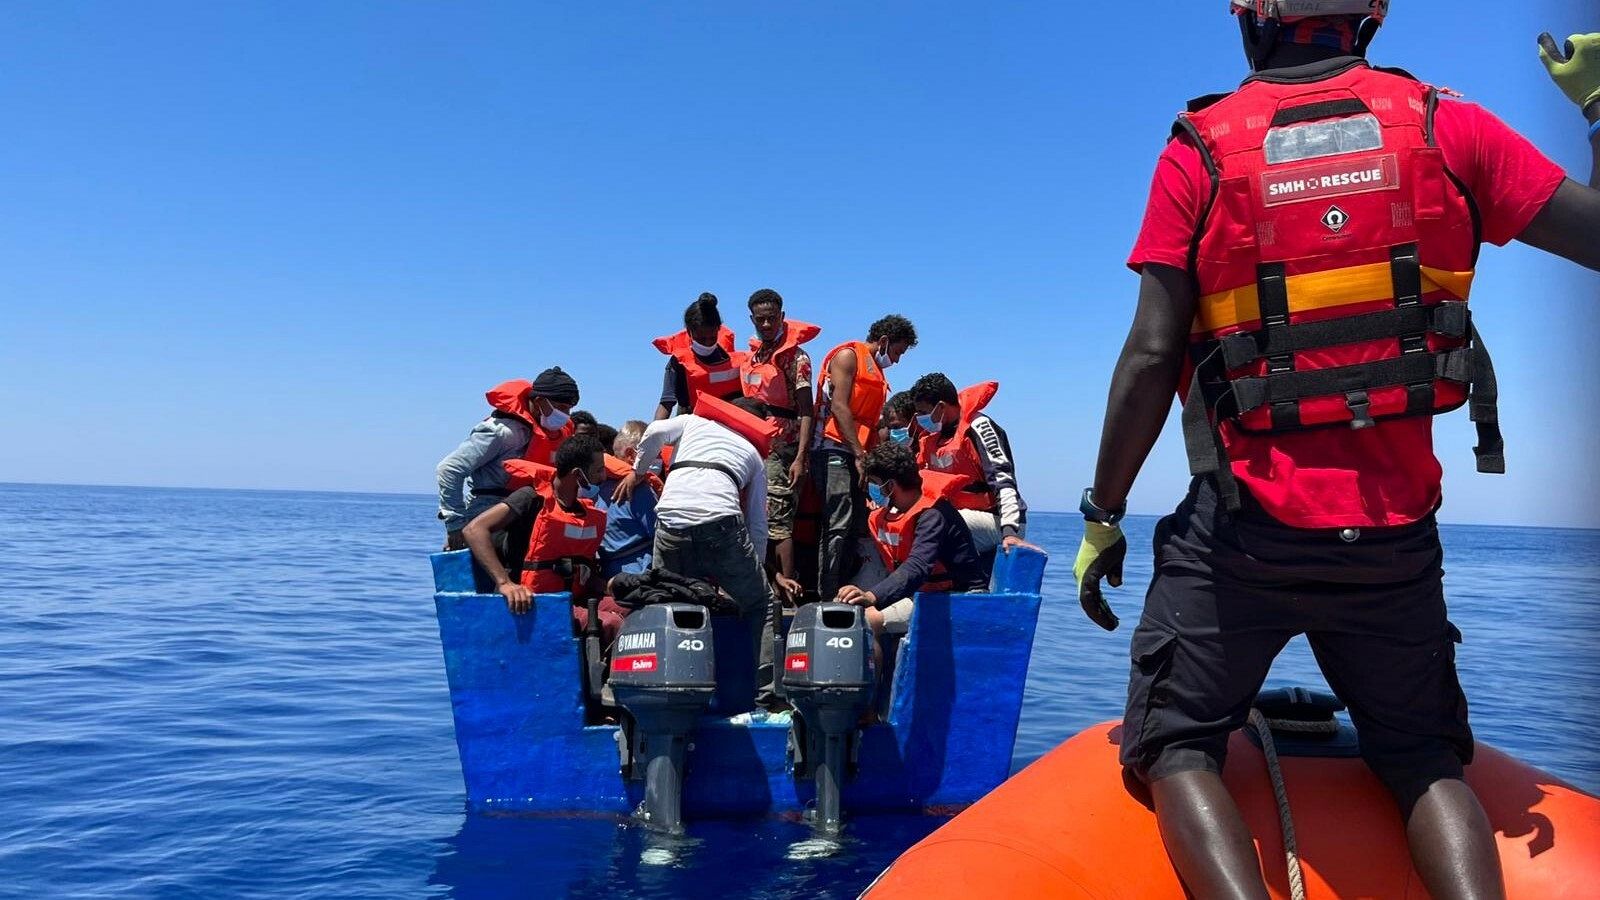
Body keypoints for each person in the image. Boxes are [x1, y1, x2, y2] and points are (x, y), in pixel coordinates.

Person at [1074, 5, 1600, 899]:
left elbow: (1154, 352)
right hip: (1395, 537)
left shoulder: (1200, 145)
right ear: (1372, 15)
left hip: (1242, 534)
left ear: (1250, 20)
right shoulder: (1448, 124)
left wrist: (1103, 512)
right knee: (1424, 760)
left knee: (1175, 747)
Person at [615, 394, 780, 705]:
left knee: (666, 602)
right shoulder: (755, 457)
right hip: (721, 526)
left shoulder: (692, 422)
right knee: (762, 605)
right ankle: (768, 695)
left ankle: (662, 689)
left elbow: (653, 432)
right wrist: (751, 571)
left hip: (671, 521)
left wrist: (638, 471)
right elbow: (758, 524)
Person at [459, 434, 627, 645]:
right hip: (534, 600)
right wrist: (505, 583)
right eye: (598, 471)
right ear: (578, 475)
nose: (603, 477)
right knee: (610, 623)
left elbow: (581, 568)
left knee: (635, 609)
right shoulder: (531, 498)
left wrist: (609, 586)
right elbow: (474, 530)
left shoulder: (583, 510)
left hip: (573, 596)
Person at [812, 314, 918, 602]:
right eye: (896, 352)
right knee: (838, 522)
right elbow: (839, 407)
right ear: (883, 341)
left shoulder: (878, 374)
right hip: (833, 448)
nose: (895, 361)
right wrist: (860, 454)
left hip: (858, 454)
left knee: (858, 523)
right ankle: (827, 594)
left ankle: (847, 587)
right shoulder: (848, 357)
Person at [836, 443, 987, 637]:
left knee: (865, 622)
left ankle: (877, 669)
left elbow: (918, 566)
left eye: (874, 482)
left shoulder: (933, 515)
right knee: (846, 612)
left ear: (890, 485)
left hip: (959, 597)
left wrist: (871, 596)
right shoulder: (897, 511)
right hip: (923, 594)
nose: (870, 488)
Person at [435, 368, 580, 550]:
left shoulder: (558, 434)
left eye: (569, 409)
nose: (566, 415)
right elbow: (449, 469)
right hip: (488, 515)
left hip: (530, 514)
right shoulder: (501, 432)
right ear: (540, 401)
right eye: (561, 408)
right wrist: (455, 525)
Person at [739, 288, 820, 603]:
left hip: (783, 447)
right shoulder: (753, 357)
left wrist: (801, 457)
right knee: (754, 515)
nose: (768, 324)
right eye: (761, 320)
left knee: (778, 517)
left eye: (773, 318)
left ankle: (790, 594)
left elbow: (806, 409)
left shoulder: (797, 357)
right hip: (753, 444)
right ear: (753, 320)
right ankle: (767, 585)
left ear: (782, 317)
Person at [908, 373, 1029, 556]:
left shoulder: (979, 426)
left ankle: (973, 583)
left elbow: (1004, 480)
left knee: (933, 522)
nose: (920, 419)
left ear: (941, 407)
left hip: (999, 521)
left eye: (924, 413)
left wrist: (1010, 531)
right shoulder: (931, 437)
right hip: (958, 515)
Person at [653, 293, 746, 419]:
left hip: (731, 425)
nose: (707, 343)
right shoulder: (678, 363)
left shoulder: (737, 363)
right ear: (689, 332)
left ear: (719, 329)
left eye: (712, 338)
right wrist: (653, 433)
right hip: (693, 426)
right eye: (701, 338)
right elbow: (666, 403)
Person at [596, 422, 659, 579]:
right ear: (631, 455)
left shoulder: (595, 485)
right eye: (655, 454)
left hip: (607, 575)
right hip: (640, 576)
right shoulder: (639, 491)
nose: (659, 460)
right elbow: (661, 537)